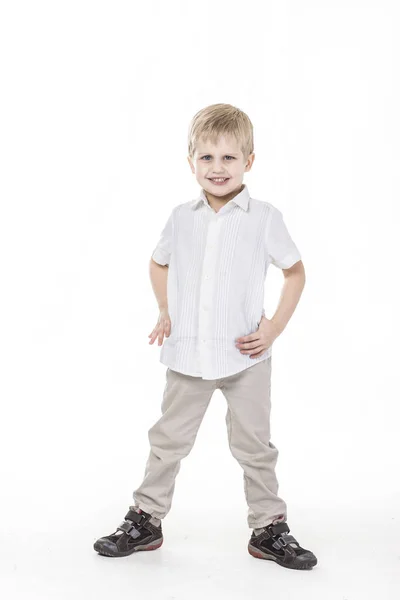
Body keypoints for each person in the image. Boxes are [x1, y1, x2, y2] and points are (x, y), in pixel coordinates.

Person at [93, 103, 318, 570]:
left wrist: (273, 327)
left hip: (245, 357)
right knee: (168, 439)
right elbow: (159, 261)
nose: (218, 168)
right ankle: (146, 519)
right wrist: (164, 308)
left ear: (248, 162)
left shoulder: (264, 218)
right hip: (188, 355)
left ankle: (268, 527)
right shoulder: (181, 217)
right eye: (207, 158)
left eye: (229, 158)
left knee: (255, 445)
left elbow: (295, 273)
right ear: (191, 161)